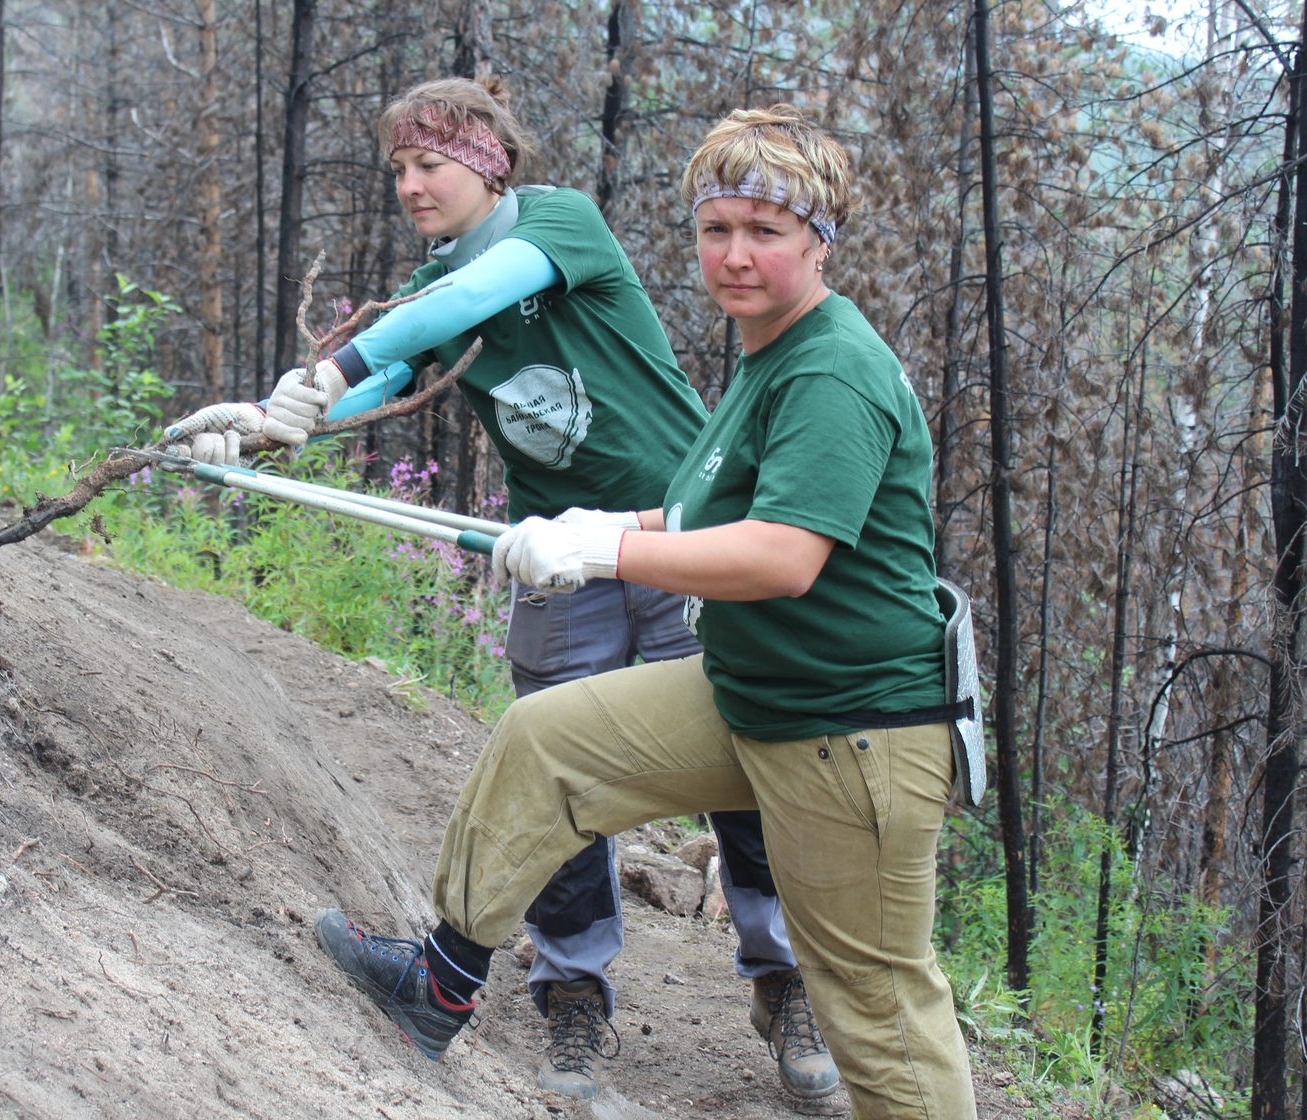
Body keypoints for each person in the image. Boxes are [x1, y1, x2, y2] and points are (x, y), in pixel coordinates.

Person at [165, 78, 838, 1103]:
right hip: (554, 551)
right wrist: (266, 421)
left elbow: (465, 305)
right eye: (396, 168)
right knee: (559, 762)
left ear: (486, 163)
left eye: (427, 163)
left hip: (675, 531)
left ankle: (785, 978)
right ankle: (575, 997)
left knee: (733, 758)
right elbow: (399, 362)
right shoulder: (435, 283)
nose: (408, 184)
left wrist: (330, 371)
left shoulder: (556, 225)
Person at [309, 103, 979, 1120]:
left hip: (852, 734)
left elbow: (784, 556)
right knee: (546, 739)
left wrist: (600, 548)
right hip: (758, 697)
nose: (737, 255)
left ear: (819, 240)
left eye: (767, 231)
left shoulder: (833, 365)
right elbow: (708, 504)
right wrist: (592, 522)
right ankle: (439, 984)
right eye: (719, 229)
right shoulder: (766, 351)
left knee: (878, 1003)